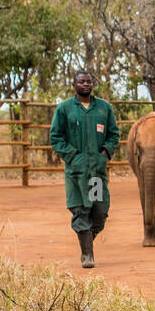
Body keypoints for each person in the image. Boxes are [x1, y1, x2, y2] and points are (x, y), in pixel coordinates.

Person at [49, 71, 120, 268]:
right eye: (81, 81)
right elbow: (56, 137)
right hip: (76, 174)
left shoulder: (104, 108)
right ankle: (87, 255)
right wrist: (73, 156)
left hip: (95, 174)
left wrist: (104, 153)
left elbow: (114, 134)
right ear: (74, 85)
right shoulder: (65, 109)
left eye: (89, 81)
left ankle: (86, 239)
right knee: (80, 210)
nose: (86, 84)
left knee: (99, 211)